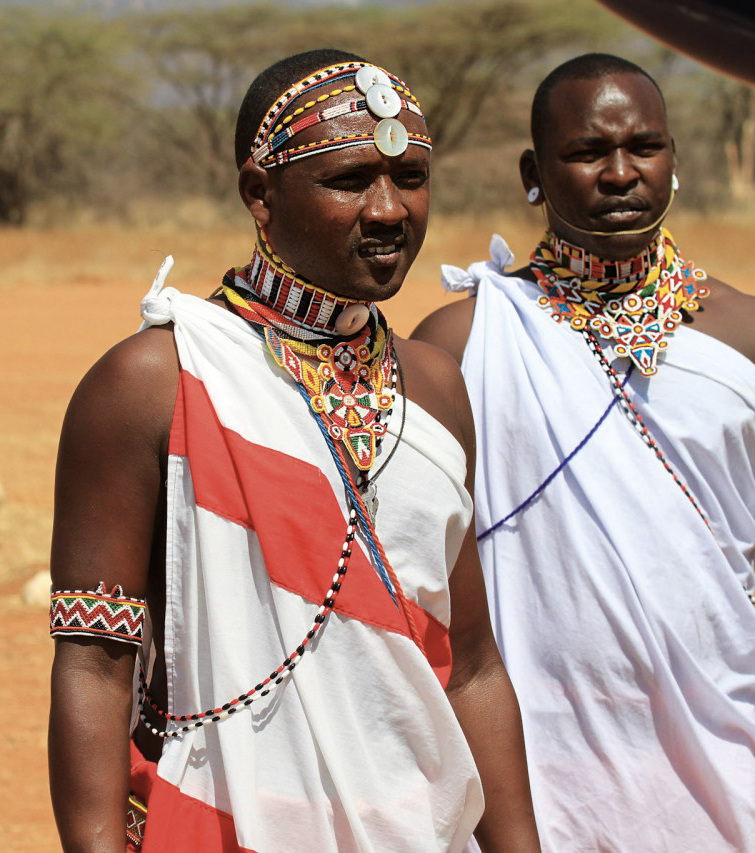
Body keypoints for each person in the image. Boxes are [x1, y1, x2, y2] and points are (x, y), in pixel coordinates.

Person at [48, 48, 540, 853]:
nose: (389, 210)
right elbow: (95, 660)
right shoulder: (152, 381)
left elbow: (473, 667)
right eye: (349, 180)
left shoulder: (437, 388)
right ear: (259, 194)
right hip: (223, 823)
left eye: (410, 177)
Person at [413, 53, 755, 850]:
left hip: (730, 735)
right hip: (539, 756)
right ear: (535, 171)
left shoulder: (742, 334)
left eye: (645, 146)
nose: (620, 172)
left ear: (677, 159)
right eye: (587, 152)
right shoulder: (463, 344)